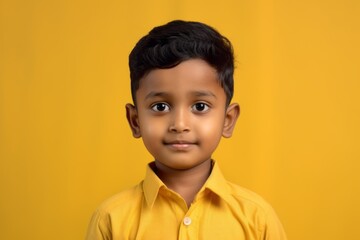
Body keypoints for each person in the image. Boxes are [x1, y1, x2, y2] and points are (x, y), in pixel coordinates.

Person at [85, 20, 287, 240]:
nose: (180, 124)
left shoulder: (257, 219)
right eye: (160, 107)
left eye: (200, 106)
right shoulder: (111, 220)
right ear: (135, 121)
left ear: (228, 120)